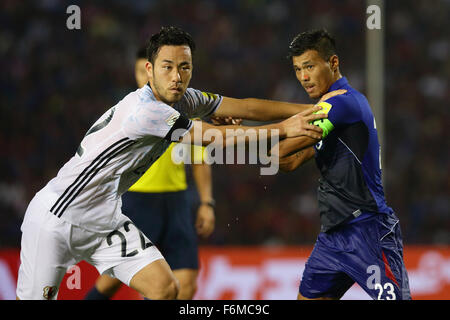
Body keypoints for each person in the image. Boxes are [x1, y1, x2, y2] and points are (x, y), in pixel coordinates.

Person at [15, 26, 334, 300]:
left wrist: (318, 106)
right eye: (167, 67)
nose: (177, 76)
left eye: (185, 67)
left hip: (105, 220)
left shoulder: (184, 99)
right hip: (57, 220)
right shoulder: (147, 111)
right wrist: (284, 129)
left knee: (166, 288)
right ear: (149, 70)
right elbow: (213, 139)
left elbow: (245, 106)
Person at [272, 29, 411, 300]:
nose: (303, 77)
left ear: (333, 63)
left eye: (309, 66)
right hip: (333, 236)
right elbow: (288, 162)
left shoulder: (342, 103)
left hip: (369, 230)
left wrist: (264, 130)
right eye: (298, 69)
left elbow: (280, 152)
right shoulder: (328, 115)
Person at [84, 47, 214, 300]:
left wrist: (207, 202)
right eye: (140, 72)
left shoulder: (183, 111)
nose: (146, 79)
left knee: (185, 285)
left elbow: (200, 158)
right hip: (136, 202)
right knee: (112, 282)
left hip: (176, 202)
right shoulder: (130, 112)